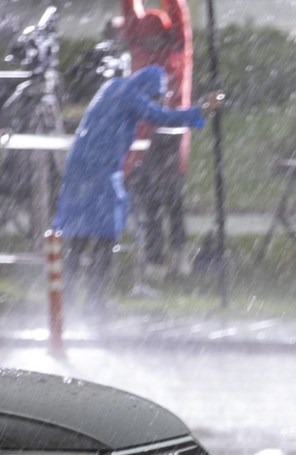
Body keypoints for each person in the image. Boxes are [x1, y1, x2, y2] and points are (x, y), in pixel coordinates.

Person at [51, 64, 219, 314]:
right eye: (153, 96)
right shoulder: (130, 96)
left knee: (78, 235)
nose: (151, 102)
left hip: (81, 170)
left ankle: (67, 300)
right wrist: (201, 110)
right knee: (105, 236)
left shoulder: (113, 88)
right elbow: (160, 116)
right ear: (147, 89)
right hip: (100, 172)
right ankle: (95, 300)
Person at [122, 0, 195, 274]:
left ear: (165, 35)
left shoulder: (178, 49)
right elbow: (129, 10)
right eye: (146, 37)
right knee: (151, 200)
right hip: (145, 137)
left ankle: (179, 255)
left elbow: (178, 13)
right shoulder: (138, 48)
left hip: (172, 134)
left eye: (156, 37)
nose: (151, 41)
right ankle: (155, 260)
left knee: (173, 198)